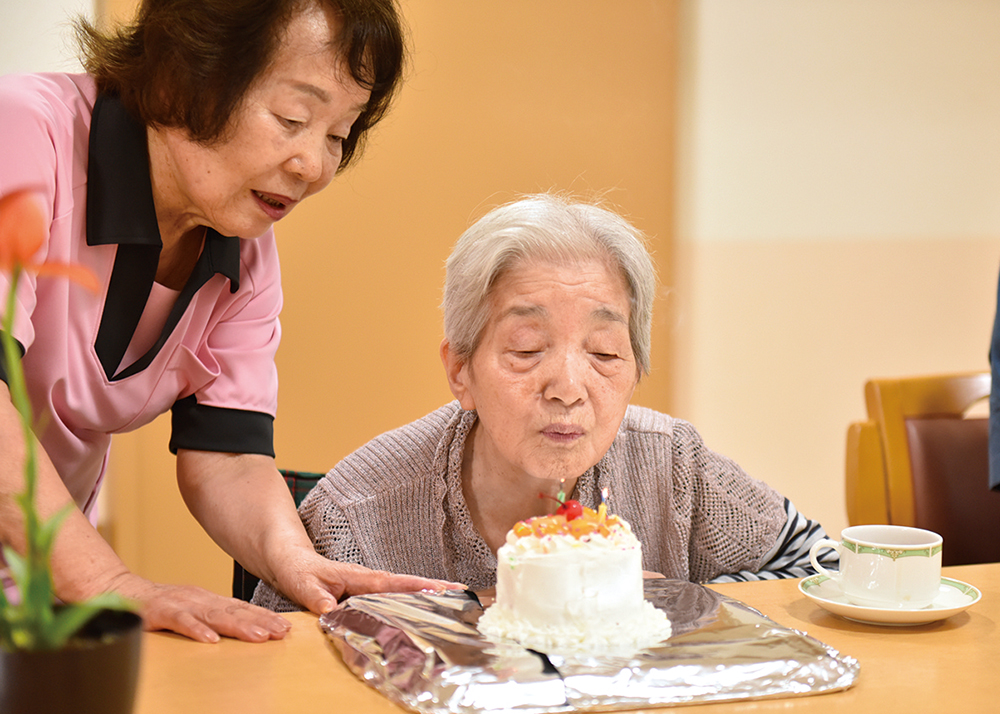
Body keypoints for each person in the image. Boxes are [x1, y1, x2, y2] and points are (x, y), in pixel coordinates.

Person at [0, 0, 457, 644]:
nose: (314, 167)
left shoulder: (240, 245)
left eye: (338, 135)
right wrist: (114, 583)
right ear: (180, 77)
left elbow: (229, 455)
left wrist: (296, 562)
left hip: (30, 590)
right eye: (292, 118)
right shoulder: (21, 131)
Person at [252, 193, 835, 611]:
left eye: (605, 353)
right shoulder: (357, 514)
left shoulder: (675, 467)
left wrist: (676, 604)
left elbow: (823, 569)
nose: (568, 386)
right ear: (460, 370)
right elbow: (277, 673)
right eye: (527, 348)